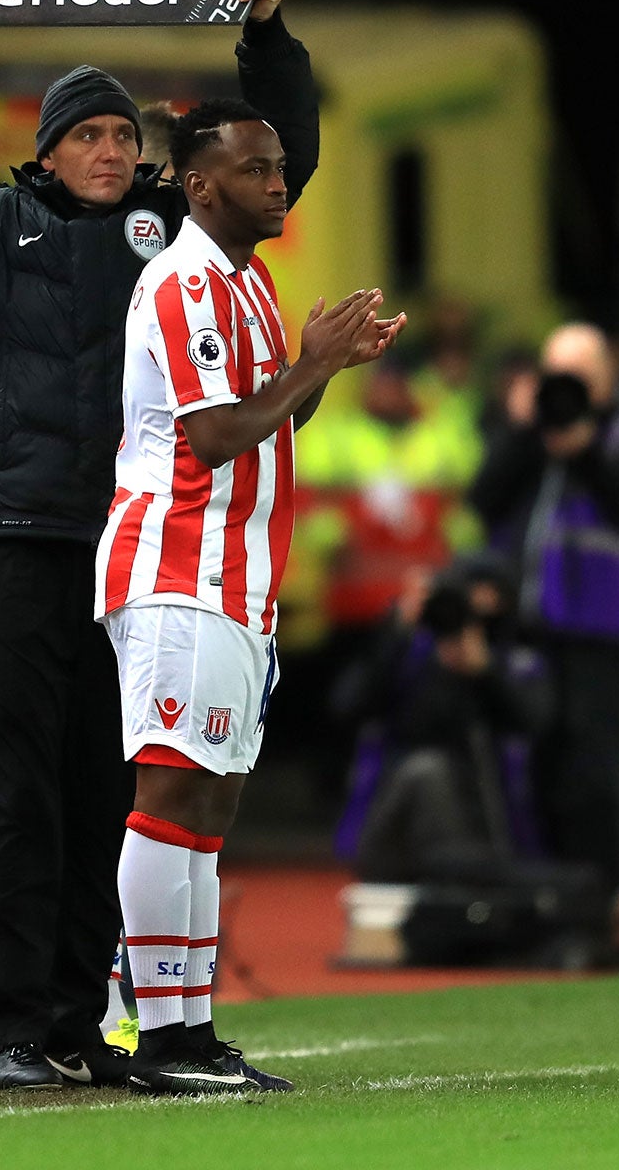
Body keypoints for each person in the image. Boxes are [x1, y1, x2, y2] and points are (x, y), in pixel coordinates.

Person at [0, 0, 316, 1089]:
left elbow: (280, 157)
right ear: (44, 152)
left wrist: (266, 39)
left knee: (108, 797)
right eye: (87, 136)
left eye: (123, 138)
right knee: (11, 794)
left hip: (134, 558)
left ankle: (90, 1023)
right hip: (19, 542)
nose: (111, 152)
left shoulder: (169, 231)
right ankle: (15, 1032)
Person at [97, 97, 403, 1092]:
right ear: (197, 185)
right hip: (178, 567)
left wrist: (323, 369)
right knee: (169, 792)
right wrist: (308, 364)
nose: (279, 182)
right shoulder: (183, 282)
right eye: (257, 167)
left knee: (209, 807)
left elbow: (268, 419)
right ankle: (158, 1036)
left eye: (279, 167)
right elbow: (215, 434)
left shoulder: (250, 282)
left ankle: (187, 1030)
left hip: (236, 578)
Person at [468, 324, 619, 890]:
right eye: (558, 375)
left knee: (592, 772)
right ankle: (554, 897)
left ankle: (598, 901)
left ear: (607, 375)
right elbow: (485, 499)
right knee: (538, 765)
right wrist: (520, 429)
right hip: (540, 625)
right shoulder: (537, 434)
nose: (569, 390)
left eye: (580, 376)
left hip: (608, 628)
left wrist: (583, 449)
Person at [331, 559, 553, 884]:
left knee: (432, 772)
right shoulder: (411, 656)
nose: (464, 625)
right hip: (394, 827)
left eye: (482, 616)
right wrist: (397, 634)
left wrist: (485, 676)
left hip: (490, 830)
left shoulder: (517, 665)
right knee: (427, 771)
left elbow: (534, 723)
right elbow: (347, 707)